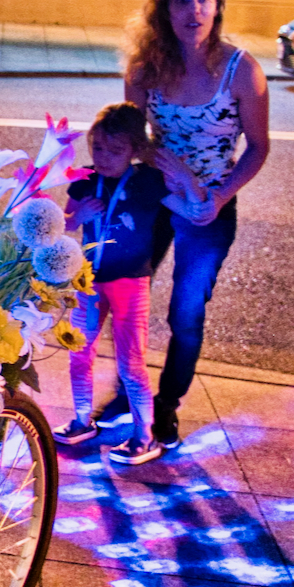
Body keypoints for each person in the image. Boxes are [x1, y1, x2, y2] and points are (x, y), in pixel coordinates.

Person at [124, 0, 269, 448]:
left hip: (208, 207)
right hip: (155, 196)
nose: (194, 8)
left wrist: (219, 194)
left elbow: (259, 146)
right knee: (127, 300)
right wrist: (172, 169)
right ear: (165, 8)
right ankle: (129, 391)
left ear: (218, 6)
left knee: (185, 313)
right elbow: (134, 137)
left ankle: (165, 407)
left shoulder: (242, 70)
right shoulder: (146, 68)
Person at [57, 103, 169, 464]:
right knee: (79, 352)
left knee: (131, 362)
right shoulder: (86, 178)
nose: (104, 158)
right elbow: (63, 222)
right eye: (99, 148)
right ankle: (81, 419)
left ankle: (144, 435)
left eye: (116, 150)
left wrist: (186, 179)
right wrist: (76, 216)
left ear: (136, 150)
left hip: (130, 284)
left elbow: (184, 204)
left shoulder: (148, 182)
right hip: (88, 281)